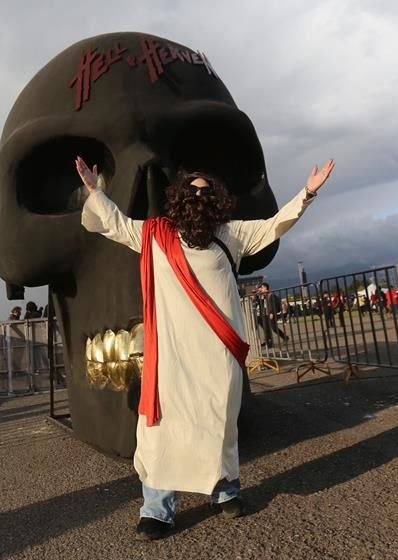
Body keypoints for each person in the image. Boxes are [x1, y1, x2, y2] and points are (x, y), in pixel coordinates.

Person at [76, 154, 334, 540]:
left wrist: (308, 193)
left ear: (218, 200)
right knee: (162, 431)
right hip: (172, 356)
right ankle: (157, 510)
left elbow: (274, 225)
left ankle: (224, 490)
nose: (199, 194)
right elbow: (113, 223)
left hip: (217, 353)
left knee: (217, 424)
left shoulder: (232, 234)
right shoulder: (154, 234)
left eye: (206, 190)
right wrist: (95, 190)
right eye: (192, 189)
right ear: (179, 197)